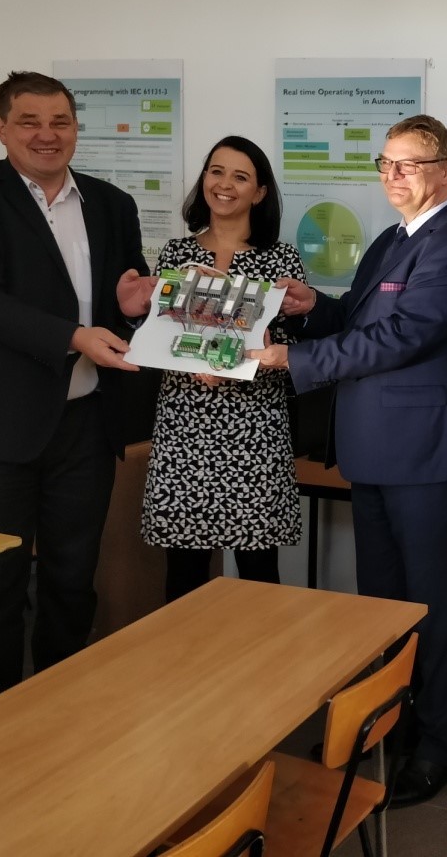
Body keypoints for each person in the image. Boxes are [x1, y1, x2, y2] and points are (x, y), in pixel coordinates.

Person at [251, 114, 447, 808]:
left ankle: (440, 749)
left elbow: (402, 336)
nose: (394, 176)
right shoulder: (392, 238)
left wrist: (294, 357)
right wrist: (314, 308)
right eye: (386, 163)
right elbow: (364, 322)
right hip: (373, 449)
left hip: (426, 454)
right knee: (382, 607)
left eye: (409, 164)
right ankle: (389, 726)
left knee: (433, 607)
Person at [0, 70, 155, 695]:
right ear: (1, 128)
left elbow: (123, 300)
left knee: (72, 579)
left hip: (86, 425)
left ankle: (59, 707)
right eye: (29, 121)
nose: (46, 135)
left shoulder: (112, 204)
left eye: (60, 122)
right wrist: (74, 336)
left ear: (76, 128)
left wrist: (132, 307)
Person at [141, 136, 305, 601]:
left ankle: (262, 653)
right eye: (216, 171)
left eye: (240, 176)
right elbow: (161, 334)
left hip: (253, 431)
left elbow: (293, 347)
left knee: (258, 573)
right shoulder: (175, 254)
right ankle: (185, 652)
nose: (224, 184)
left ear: (260, 192)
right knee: (184, 575)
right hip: (185, 427)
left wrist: (246, 358)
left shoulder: (281, 260)